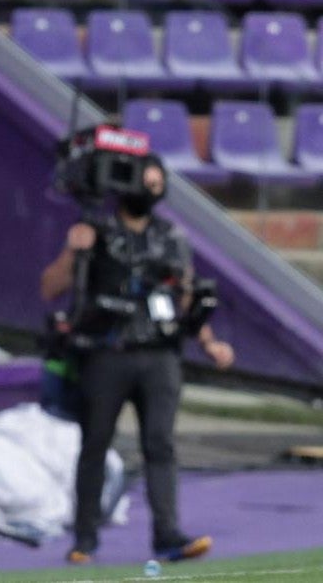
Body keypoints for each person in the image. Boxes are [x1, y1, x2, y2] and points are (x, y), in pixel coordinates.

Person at [40, 156, 236, 565]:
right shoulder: (96, 232)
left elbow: (184, 300)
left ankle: (168, 536)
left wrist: (209, 341)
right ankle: (84, 540)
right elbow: (50, 289)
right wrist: (74, 253)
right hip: (106, 354)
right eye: (143, 183)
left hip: (160, 356)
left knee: (160, 445)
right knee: (95, 444)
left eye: (157, 184)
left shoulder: (171, 237)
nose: (150, 191)